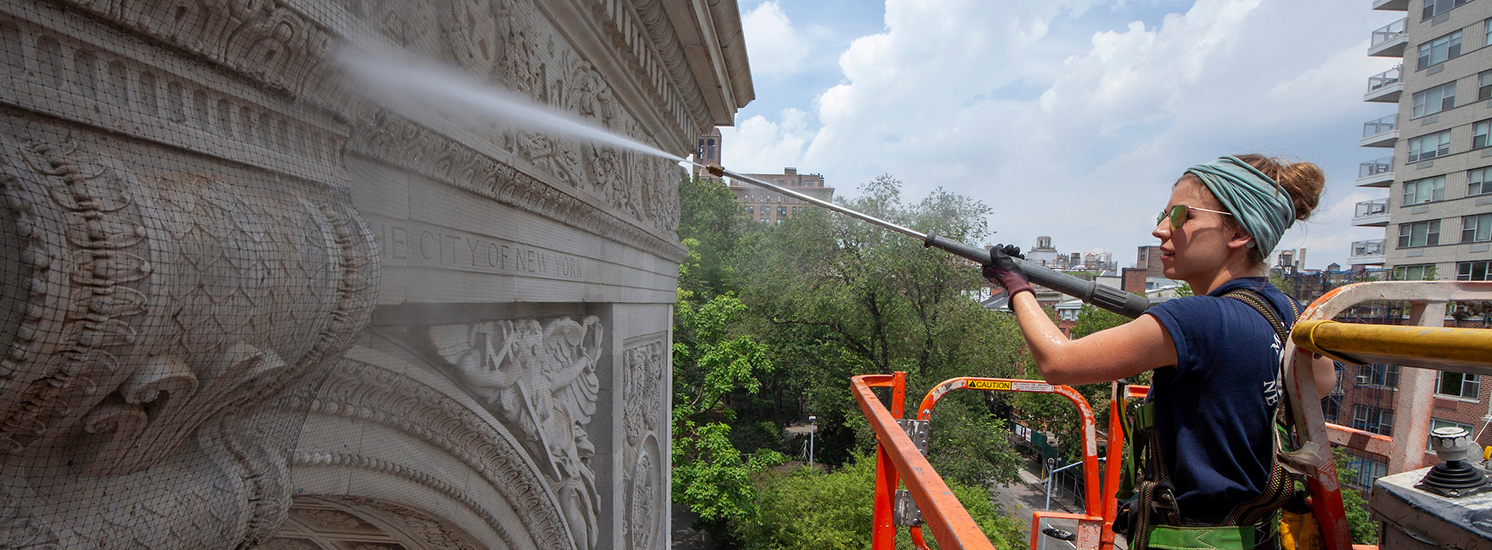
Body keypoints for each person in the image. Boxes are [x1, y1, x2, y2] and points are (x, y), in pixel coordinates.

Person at [983, 154, 1337, 550]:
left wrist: (1015, 286)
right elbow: (1322, 382)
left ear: (1238, 232)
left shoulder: (1198, 319)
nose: (1160, 230)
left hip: (1190, 539)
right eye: (1164, 214)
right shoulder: (1286, 311)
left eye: (1182, 215)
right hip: (1257, 536)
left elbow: (1058, 362)